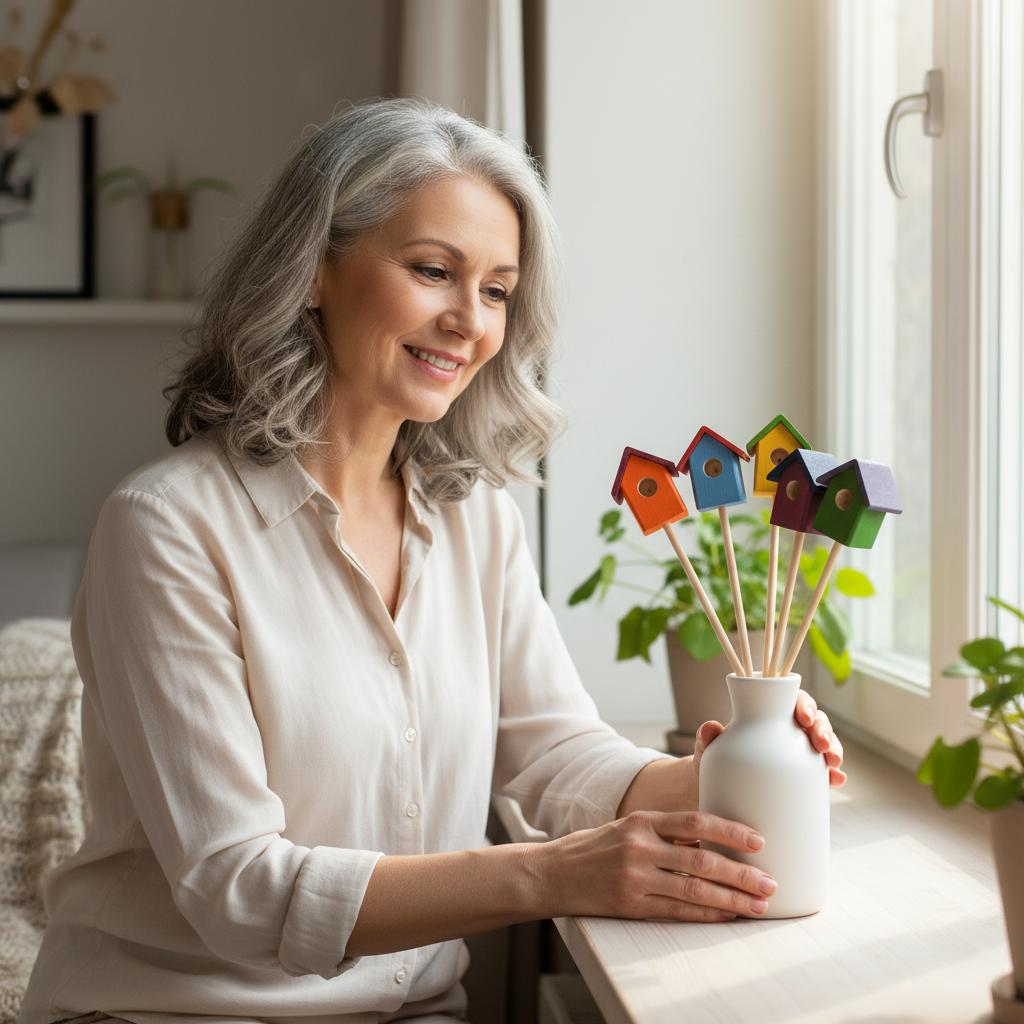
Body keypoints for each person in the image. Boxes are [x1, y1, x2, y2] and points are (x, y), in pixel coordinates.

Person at [17, 97, 846, 1024]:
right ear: (315, 270)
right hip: (171, 1012)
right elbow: (237, 886)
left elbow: (551, 753)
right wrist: (546, 875)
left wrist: (726, 773)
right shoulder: (165, 528)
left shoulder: (475, 518)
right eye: (433, 270)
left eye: (496, 290)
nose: (469, 321)